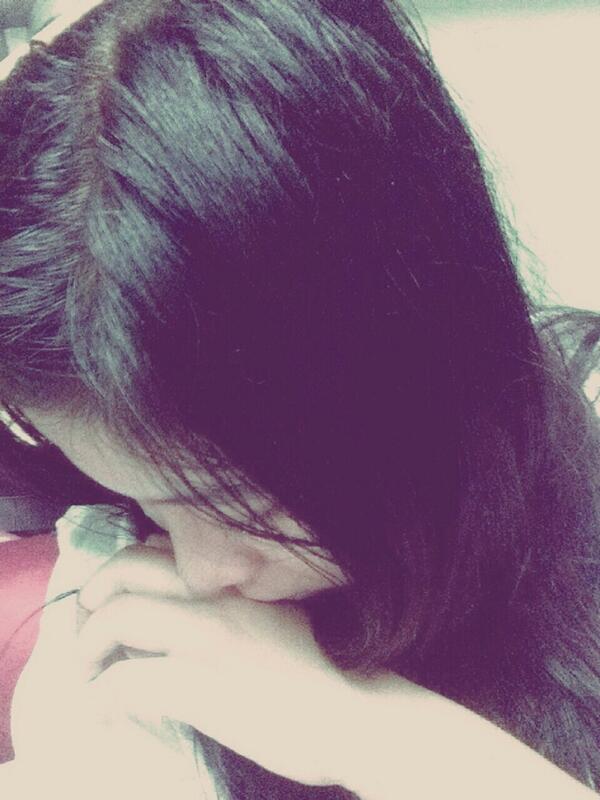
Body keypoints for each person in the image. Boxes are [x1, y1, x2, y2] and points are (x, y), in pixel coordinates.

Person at [0, 0, 598, 798]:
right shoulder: (128, 625)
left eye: (238, 502)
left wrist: (369, 736)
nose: (202, 574)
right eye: (149, 503)